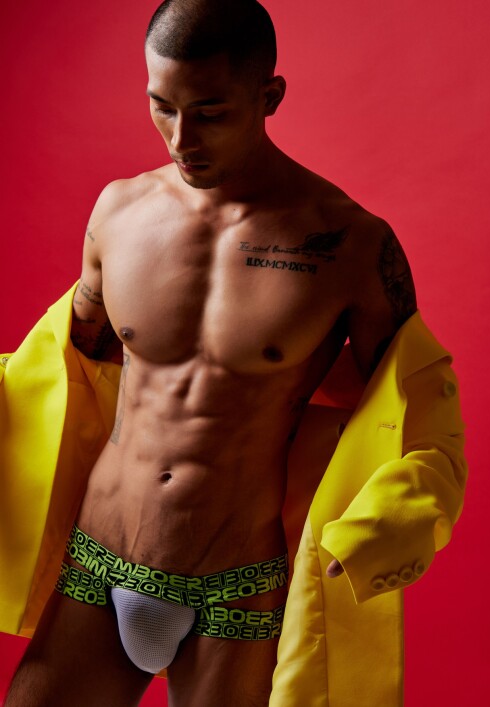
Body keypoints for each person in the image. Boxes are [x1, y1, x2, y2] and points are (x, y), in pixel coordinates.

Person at [2, 1, 466, 706]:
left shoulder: (350, 244)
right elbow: (68, 368)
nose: (181, 138)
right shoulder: (118, 213)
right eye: (162, 106)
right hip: (98, 561)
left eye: (210, 112)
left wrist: (391, 520)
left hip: (239, 589)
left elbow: (419, 415)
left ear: (268, 96)